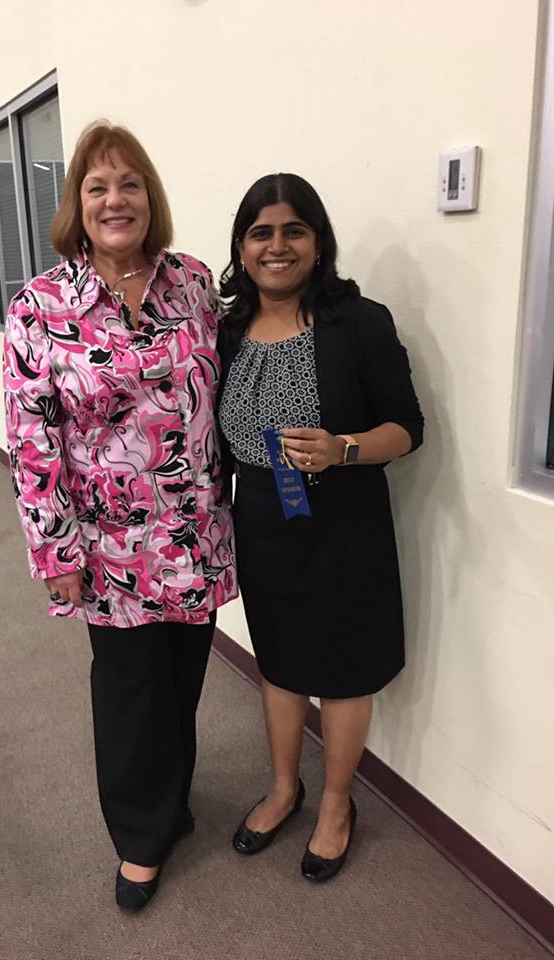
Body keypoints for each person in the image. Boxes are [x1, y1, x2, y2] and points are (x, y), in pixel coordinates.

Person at [3, 121, 237, 912]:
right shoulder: (40, 306)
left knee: (182, 680)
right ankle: (140, 837)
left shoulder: (193, 283)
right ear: (77, 202)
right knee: (131, 692)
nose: (115, 200)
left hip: (196, 531)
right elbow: (32, 441)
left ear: (149, 197)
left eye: (129, 184)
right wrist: (56, 552)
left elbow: (232, 377)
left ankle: (169, 800)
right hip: (109, 547)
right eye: (97, 186)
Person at [217, 173, 423, 883]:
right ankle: (285, 789)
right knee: (279, 662)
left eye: (293, 231)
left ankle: (337, 803)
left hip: (343, 524)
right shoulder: (227, 332)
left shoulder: (358, 323)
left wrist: (343, 449)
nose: (276, 246)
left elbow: (408, 428)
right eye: (261, 233)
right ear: (241, 248)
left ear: (317, 241)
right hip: (263, 521)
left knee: (342, 672)